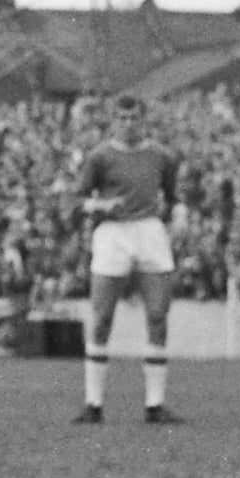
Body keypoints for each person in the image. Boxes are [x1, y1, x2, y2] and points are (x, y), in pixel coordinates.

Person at [72, 104, 186, 426]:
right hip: (112, 234)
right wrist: (101, 204)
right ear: (114, 121)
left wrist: (179, 213)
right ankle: (93, 404)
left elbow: (173, 195)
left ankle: (155, 405)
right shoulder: (99, 156)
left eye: (134, 117)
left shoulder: (162, 156)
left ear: (144, 120)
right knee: (102, 316)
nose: (128, 123)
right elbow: (77, 199)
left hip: (149, 230)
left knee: (157, 315)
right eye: (122, 117)